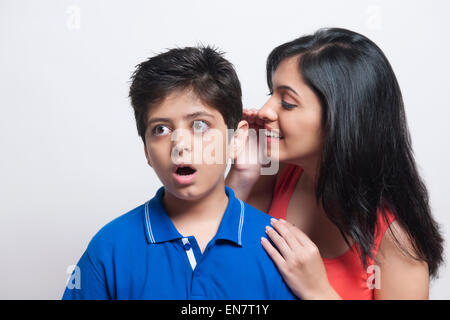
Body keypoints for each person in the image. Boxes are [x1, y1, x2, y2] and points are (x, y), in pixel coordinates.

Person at [62, 46, 297, 300]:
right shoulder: (110, 249)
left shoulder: (278, 248)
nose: (180, 145)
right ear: (146, 152)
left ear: (236, 140)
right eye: (161, 129)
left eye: (199, 125)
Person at [226, 28, 444, 300]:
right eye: (271, 93)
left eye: (288, 102)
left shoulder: (397, 239)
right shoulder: (275, 171)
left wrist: (316, 290)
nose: (266, 110)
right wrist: (242, 175)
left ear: (341, 118)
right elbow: (209, 261)